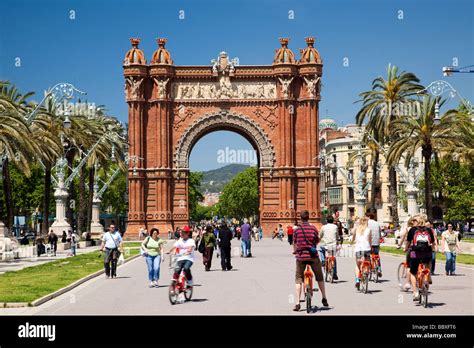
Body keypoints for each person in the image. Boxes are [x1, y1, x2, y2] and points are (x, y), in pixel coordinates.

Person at [292, 210, 329, 311]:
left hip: (301, 256)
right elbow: (317, 241)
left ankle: (297, 303)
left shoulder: (297, 230)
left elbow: (294, 243)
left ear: (301, 218)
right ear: (308, 218)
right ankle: (324, 297)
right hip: (313, 256)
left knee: (298, 279)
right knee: (319, 277)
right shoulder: (313, 228)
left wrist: (295, 251)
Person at [404, 214, 436, 301]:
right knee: (428, 265)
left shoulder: (412, 230)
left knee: (413, 272)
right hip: (427, 252)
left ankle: (415, 292)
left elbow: (408, 242)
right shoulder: (429, 230)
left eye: (414, 220)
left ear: (417, 222)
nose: (413, 222)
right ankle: (427, 278)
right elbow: (433, 243)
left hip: (415, 252)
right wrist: (433, 249)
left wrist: (406, 248)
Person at [350, 216, 371, 290]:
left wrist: (352, 242)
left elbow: (353, 239)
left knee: (357, 265)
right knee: (367, 262)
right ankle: (366, 273)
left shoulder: (356, 229)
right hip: (366, 249)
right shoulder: (368, 229)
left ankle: (357, 280)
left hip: (358, 249)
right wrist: (370, 246)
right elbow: (369, 240)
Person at [398, 217, 416, 291]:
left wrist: (400, 245)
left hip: (412, 250)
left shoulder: (408, 229)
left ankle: (408, 282)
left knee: (409, 266)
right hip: (421, 249)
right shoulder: (419, 229)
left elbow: (403, 238)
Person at [319, 216, 339, 280]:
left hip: (326, 245)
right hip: (333, 246)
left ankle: (323, 261)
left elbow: (320, 235)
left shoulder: (323, 227)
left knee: (321, 250)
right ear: (333, 221)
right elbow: (337, 236)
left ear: (326, 221)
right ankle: (335, 273)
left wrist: (318, 240)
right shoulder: (335, 227)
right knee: (333, 258)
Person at [367, 211, 382, 278]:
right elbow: (379, 233)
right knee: (377, 256)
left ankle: (369, 268)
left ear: (369, 217)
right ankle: (379, 269)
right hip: (376, 243)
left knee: (367, 256)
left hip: (369, 243)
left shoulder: (367, 223)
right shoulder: (377, 223)